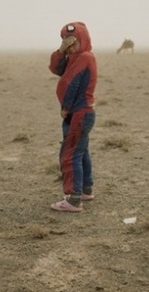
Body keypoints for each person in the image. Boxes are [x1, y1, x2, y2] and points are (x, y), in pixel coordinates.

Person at [48, 21, 97, 212]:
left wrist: (66, 107)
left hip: (78, 113)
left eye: (73, 39)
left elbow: (71, 83)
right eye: (65, 39)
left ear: (83, 38)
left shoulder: (84, 57)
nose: (70, 43)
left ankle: (73, 199)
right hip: (81, 113)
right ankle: (85, 189)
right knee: (80, 151)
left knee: (70, 153)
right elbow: (56, 69)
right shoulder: (74, 57)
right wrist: (61, 50)